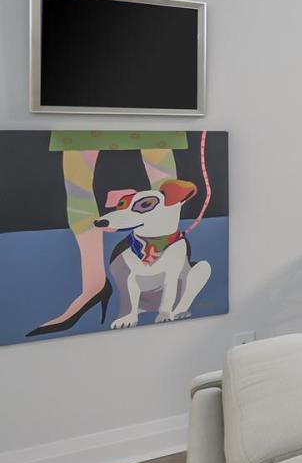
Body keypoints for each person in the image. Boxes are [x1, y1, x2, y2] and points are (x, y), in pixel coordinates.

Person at [28, 131, 187, 336]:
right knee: (78, 181)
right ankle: (93, 284)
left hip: (152, 112)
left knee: (161, 165)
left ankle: (162, 267)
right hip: (80, 114)